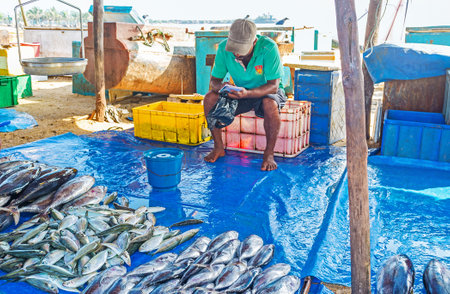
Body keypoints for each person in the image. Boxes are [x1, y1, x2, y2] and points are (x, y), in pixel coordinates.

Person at [203, 18, 287, 171]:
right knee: (209, 98)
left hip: (267, 91)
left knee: (270, 104)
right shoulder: (223, 48)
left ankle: (269, 154)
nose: (236, 52)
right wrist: (222, 87)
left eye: (241, 48)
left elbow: (274, 86)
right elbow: (214, 81)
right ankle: (218, 147)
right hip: (241, 92)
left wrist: (248, 93)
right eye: (234, 47)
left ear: (254, 42)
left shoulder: (269, 47)